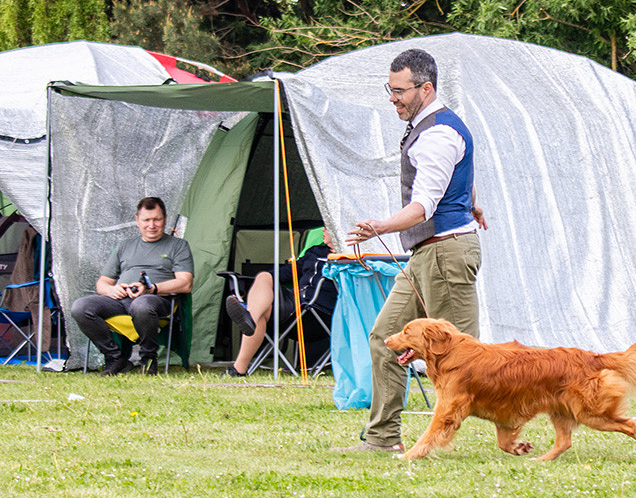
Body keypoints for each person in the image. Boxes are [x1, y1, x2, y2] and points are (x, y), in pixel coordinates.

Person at [340, 48, 487, 454]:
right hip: (428, 254)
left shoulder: (438, 133)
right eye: (389, 89)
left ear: (425, 88)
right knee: (385, 338)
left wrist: (379, 227)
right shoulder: (431, 126)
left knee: (464, 361)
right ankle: (382, 439)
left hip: (447, 255)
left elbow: (424, 205)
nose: (392, 98)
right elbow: (460, 178)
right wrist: (473, 205)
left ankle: (511, 426)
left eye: (399, 91)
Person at [70, 197, 194, 376]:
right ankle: (115, 358)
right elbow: (102, 283)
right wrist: (112, 290)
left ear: (165, 219)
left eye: (157, 219)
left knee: (142, 304)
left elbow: (185, 283)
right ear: (137, 220)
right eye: (146, 220)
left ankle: (148, 360)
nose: (151, 225)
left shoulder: (178, 246)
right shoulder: (125, 246)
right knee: (81, 307)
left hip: (157, 300)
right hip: (120, 300)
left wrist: (152, 288)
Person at [222, 228, 337, 376]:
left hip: (319, 314)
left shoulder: (352, 258)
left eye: (327, 226)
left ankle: (250, 315)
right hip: (295, 307)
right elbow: (288, 272)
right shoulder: (315, 251)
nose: (323, 229)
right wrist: (260, 282)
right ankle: (239, 368)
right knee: (264, 277)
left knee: (260, 310)